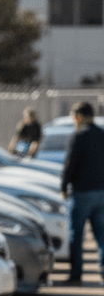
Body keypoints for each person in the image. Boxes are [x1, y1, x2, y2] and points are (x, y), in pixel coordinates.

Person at [60, 101, 104, 285]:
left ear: (78, 116)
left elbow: (70, 165)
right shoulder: (102, 135)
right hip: (101, 193)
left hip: (81, 193)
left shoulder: (77, 137)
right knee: (101, 236)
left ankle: (76, 274)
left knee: (76, 236)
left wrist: (63, 187)